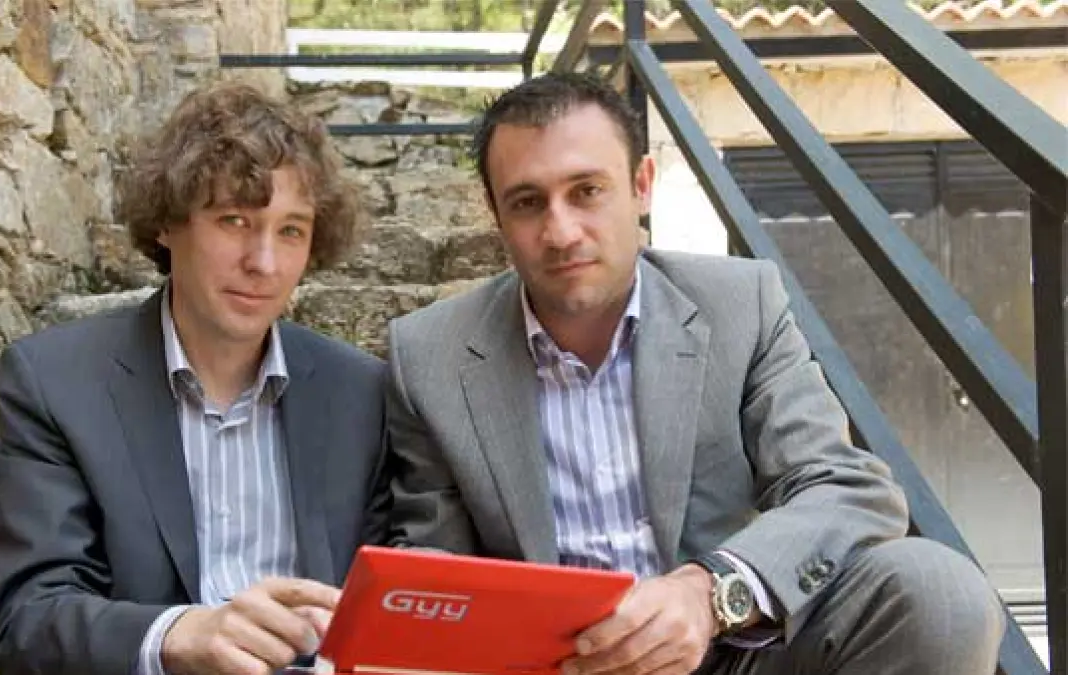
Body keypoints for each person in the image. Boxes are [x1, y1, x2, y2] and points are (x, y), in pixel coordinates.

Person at [384, 72, 1004, 675]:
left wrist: (711, 593)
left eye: (587, 190)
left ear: (641, 186)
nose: (561, 231)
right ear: (496, 215)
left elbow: (842, 487)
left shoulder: (739, 305)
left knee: (940, 594)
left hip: (733, 650)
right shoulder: (429, 356)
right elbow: (433, 567)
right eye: (527, 203)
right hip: (550, 665)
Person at [0, 82, 391, 675]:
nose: (264, 263)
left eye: (291, 230)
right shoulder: (55, 383)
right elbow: (29, 622)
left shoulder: (362, 392)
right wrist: (180, 633)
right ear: (166, 223)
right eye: (234, 220)